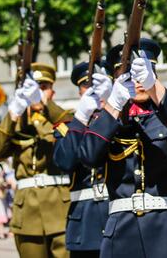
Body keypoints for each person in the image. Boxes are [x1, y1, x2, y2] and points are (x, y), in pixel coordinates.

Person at [79, 38, 167, 258]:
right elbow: (88, 155)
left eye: (144, 72)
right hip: (121, 232)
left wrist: (155, 87)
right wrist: (112, 105)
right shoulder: (109, 120)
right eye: (129, 74)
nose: (137, 81)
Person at [0, 63, 73, 258]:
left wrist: (44, 107)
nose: (39, 92)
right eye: (34, 88)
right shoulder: (16, 122)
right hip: (27, 211)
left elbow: (73, 137)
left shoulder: (61, 116)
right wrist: (12, 114)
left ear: (52, 91)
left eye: (43, 88)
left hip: (60, 208)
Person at [53, 61, 111, 258]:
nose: (93, 90)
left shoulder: (121, 120)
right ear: (80, 92)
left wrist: (112, 104)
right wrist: (80, 118)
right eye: (87, 85)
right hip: (84, 220)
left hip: (117, 215)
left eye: (98, 83)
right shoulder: (69, 127)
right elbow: (64, 162)